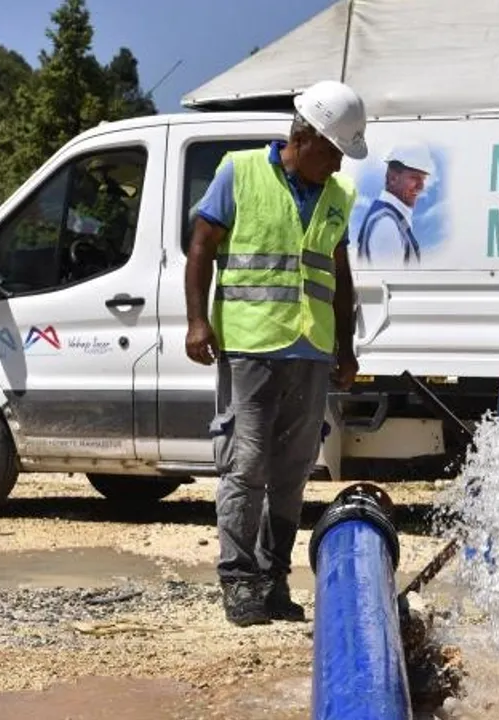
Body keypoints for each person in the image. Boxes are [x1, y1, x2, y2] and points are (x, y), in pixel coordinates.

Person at [183, 79, 369, 627]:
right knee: (246, 465)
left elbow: (339, 276)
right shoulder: (238, 172)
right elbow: (201, 249)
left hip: (310, 350)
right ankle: (238, 578)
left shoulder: (338, 194)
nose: (337, 164)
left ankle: (272, 578)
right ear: (304, 138)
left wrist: (345, 347)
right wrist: (197, 321)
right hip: (250, 345)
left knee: (292, 471)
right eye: (333, 151)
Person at [356, 143, 435, 266]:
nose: (421, 187)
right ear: (393, 178)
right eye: (415, 178)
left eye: (423, 179)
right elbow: (390, 276)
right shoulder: (387, 223)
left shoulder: (393, 218)